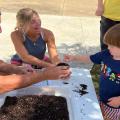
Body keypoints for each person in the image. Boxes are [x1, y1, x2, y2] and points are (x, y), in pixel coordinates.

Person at [0, 10, 71, 94]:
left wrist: (59, 67)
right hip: (21, 61)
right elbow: (25, 57)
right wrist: (47, 71)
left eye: (38, 20)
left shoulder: (47, 34)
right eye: (33, 21)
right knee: (21, 89)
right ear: (22, 25)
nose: (38, 23)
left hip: (40, 60)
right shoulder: (16, 35)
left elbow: (54, 57)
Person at [64, 24, 120, 120]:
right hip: (101, 96)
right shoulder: (106, 54)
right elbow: (91, 58)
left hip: (115, 105)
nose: (108, 48)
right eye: (108, 45)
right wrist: (75, 57)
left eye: (112, 46)